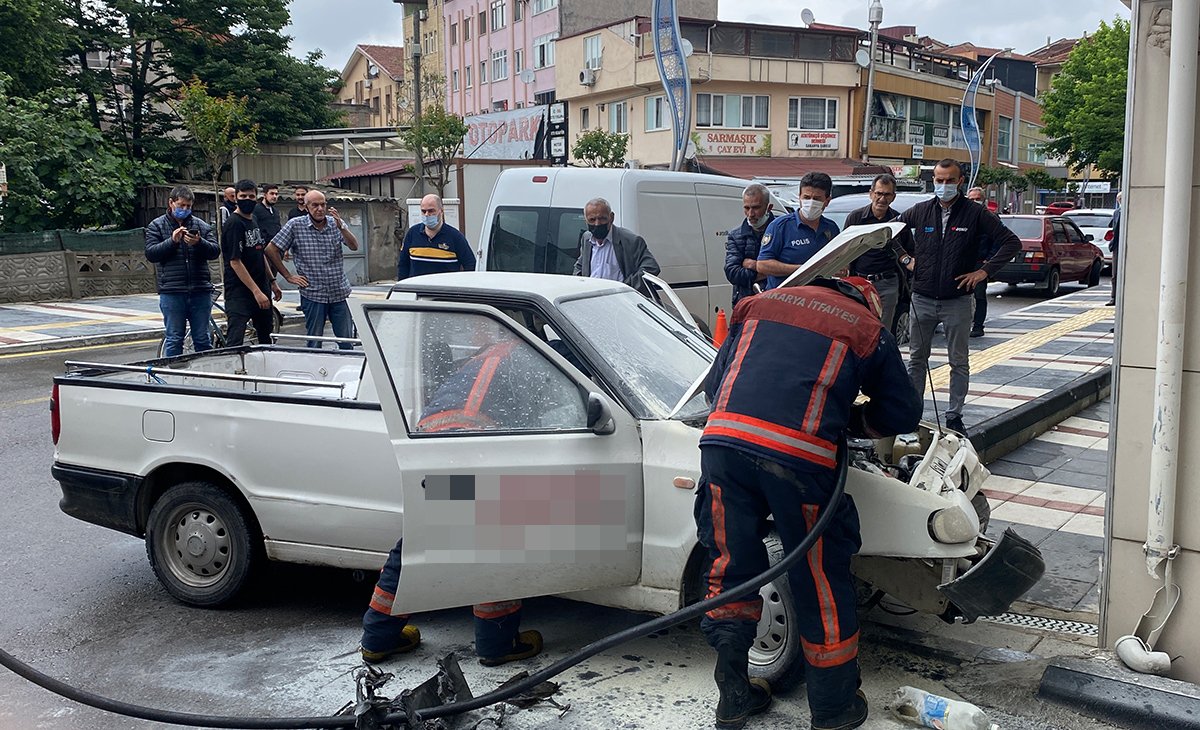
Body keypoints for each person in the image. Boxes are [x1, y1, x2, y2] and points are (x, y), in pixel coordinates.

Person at [695, 277, 922, 730]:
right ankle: (833, 708)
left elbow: (713, 387)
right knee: (818, 577)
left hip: (722, 447)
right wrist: (850, 420)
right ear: (869, 302)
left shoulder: (757, 305)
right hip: (799, 463)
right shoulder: (866, 327)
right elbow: (902, 413)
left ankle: (734, 698)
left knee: (728, 568)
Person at [362, 323, 548, 667]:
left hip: (432, 449)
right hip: (465, 449)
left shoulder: (484, 360)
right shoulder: (525, 359)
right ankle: (498, 644)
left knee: (420, 542)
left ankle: (377, 638)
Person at [900, 159, 1020, 436]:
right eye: (939, 180)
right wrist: (906, 259)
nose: (943, 186)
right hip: (922, 298)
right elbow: (891, 233)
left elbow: (1010, 242)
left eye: (949, 180)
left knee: (958, 360)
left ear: (960, 181)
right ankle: (912, 411)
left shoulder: (975, 213)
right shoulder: (920, 211)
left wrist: (983, 272)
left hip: (958, 300)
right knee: (917, 358)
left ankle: (954, 415)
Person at [266, 190, 360, 349]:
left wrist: (342, 227)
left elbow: (354, 246)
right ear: (306, 206)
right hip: (313, 293)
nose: (320, 209)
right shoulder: (295, 225)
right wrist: (288, 276)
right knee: (314, 341)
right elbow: (271, 249)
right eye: (315, 205)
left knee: (346, 340)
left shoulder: (334, 223)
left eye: (323, 205)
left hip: (339, 292)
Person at [145, 185, 221, 357]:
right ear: (171, 203)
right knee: (174, 338)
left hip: (200, 290)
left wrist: (199, 242)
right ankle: (173, 376)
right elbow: (151, 253)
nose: (185, 209)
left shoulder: (200, 225)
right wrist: (172, 241)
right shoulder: (157, 225)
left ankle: (206, 374)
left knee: (202, 338)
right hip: (172, 291)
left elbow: (215, 251)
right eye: (181, 206)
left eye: (188, 206)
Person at [845, 174, 915, 334]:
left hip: (888, 283)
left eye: (887, 194)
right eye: (879, 193)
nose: (882, 199)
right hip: (859, 282)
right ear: (871, 194)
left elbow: (910, 251)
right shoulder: (856, 218)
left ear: (893, 197)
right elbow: (845, 250)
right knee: (858, 329)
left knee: (882, 332)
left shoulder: (898, 221)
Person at [222, 178, 282, 347]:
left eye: (251, 196)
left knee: (265, 337)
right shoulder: (234, 224)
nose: (247, 200)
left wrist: (272, 282)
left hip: (261, 287)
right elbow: (235, 262)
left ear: (256, 198)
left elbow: (259, 252)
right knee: (235, 341)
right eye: (243, 196)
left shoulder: (253, 219)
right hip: (240, 292)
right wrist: (256, 291)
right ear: (236, 197)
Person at [757, 171, 840, 290]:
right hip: (784, 299)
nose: (810, 203)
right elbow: (762, 265)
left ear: (827, 201)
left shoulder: (831, 228)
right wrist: (803, 270)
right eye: (806, 197)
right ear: (799, 197)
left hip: (820, 299)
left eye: (816, 199)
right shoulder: (780, 226)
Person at [572, 197, 661, 292]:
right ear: (586, 220)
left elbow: (651, 268)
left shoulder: (630, 240)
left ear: (611, 217)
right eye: (592, 220)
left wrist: (627, 287)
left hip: (619, 300)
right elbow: (580, 266)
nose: (597, 224)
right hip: (592, 299)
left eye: (602, 218)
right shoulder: (586, 239)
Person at [396, 194, 476, 280]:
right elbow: (403, 265)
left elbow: (470, 265)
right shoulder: (412, 234)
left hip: (443, 292)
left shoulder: (455, 237)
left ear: (441, 211)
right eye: (423, 211)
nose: (427, 215)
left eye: (431, 211)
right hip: (417, 291)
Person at [723, 184, 776, 306]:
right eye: (747, 208)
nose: (750, 214)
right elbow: (732, 272)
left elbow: (789, 266)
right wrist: (773, 270)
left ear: (769, 208)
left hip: (776, 300)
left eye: (756, 208)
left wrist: (754, 265)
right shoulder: (736, 235)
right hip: (746, 303)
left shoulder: (782, 230)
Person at [965, 187, 991, 338]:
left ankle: (978, 326)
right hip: (962, 263)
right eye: (971, 199)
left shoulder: (989, 218)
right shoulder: (961, 216)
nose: (974, 202)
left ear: (983, 200)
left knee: (979, 295)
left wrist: (989, 260)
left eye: (977, 199)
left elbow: (1000, 241)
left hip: (980, 263)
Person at [1107, 191, 1122, 306]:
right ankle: (1113, 297)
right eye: (1118, 200)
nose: (1120, 201)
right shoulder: (1116, 213)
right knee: (1115, 274)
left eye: (1121, 199)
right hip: (1117, 246)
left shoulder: (1128, 211)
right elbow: (1113, 229)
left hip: (1126, 245)